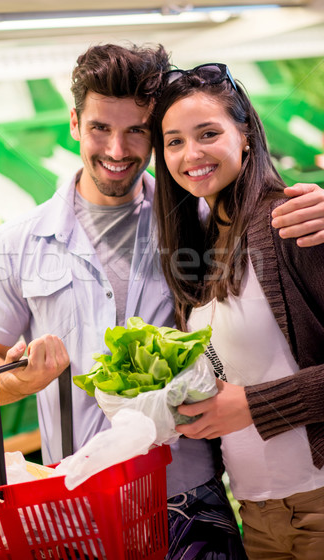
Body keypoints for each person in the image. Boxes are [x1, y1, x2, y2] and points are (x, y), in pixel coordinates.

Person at [0, 45, 324, 559]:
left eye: (137, 131)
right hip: (73, 500)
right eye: (100, 128)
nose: (117, 148)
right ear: (74, 124)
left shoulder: (201, 220)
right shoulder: (14, 241)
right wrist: (24, 379)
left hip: (191, 495)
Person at [152, 62, 324, 559]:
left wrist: (253, 405)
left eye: (208, 133)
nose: (192, 154)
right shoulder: (200, 244)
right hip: (256, 513)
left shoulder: (291, 221)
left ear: (245, 134)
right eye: (175, 141)